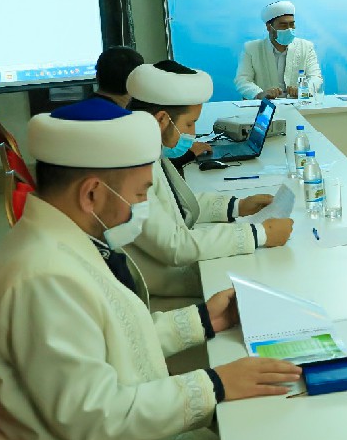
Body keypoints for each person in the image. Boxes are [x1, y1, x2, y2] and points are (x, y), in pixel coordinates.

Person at [0, 99, 301, 440]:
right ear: (91, 193)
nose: (143, 206)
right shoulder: (42, 277)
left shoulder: (64, 240)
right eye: (141, 193)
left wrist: (203, 320)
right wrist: (214, 384)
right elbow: (93, 416)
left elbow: (115, 337)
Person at [123, 62, 292, 301]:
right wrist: (259, 234)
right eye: (189, 123)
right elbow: (175, 245)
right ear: (161, 120)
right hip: (170, 284)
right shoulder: (131, 166)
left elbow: (177, 205)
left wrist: (237, 206)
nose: (192, 133)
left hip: (180, 269)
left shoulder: (147, 149)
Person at [235, 0, 321, 100]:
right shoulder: (251, 48)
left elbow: (315, 77)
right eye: (283, 25)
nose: (289, 29)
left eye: (292, 24)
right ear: (269, 27)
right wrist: (260, 94)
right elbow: (242, 80)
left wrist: (303, 90)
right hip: (265, 105)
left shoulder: (306, 47)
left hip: (296, 104)